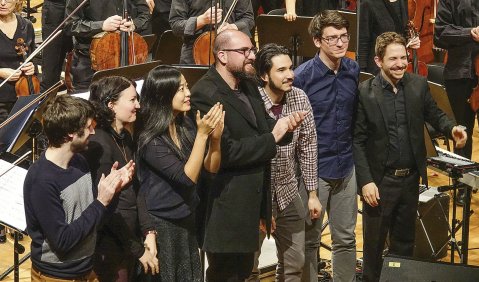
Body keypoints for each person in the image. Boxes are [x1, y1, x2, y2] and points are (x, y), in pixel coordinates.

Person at [191, 29, 305, 281]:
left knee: (242, 273)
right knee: (225, 275)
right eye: (244, 51)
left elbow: (265, 127)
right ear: (222, 55)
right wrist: (273, 136)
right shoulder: (205, 93)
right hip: (225, 208)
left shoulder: (249, 85)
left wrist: (284, 127)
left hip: (250, 204)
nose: (251, 56)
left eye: (251, 50)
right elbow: (227, 152)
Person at [353, 31, 467, 282]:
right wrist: (366, 181)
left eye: (403, 57)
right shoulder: (365, 92)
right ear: (378, 61)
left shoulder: (417, 84)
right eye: (393, 59)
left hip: (410, 180)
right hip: (380, 182)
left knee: (404, 245)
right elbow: (358, 141)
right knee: (373, 248)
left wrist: (452, 128)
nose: (400, 64)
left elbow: (435, 114)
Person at [24, 95, 135, 280]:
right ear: (70, 134)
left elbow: (90, 221)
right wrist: (101, 201)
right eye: (88, 127)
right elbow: (63, 241)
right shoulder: (41, 180)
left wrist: (113, 191)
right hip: (57, 277)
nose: (93, 132)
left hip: (85, 270)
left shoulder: (79, 162)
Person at [136, 65, 224, 281]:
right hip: (163, 224)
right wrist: (203, 136)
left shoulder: (185, 125)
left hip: (187, 217)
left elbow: (209, 169)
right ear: (163, 95)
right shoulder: (150, 139)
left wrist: (215, 140)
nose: (188, 94)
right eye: (181, 89)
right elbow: (186, 177)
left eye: (187, 87)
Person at [293, 10, 359, 282]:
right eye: (332, 38)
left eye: (344, 37)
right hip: (313, 170)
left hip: (346, 166)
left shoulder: (353, 70)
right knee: (309, 239)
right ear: (318, 41)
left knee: (345, 238)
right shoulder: (302, 77)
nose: (340, 43)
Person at [255, 43, 322, 281]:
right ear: (264, 75)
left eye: (291, 68)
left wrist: (312, 193)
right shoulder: (251, 101)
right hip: (256, 194)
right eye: (281, 70)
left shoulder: (299, 97)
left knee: (295, 261)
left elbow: (308, 147)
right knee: (249, 267)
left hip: (287, 189)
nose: (290, 75)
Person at [82, 76, 159, 280]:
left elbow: (137, 188)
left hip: (128, 238)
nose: (138, 105)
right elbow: (105, 208)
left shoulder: (124, 137)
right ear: (111, 105)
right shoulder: (99, 143)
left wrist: (149, 231)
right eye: (132, 100)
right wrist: (138, 249)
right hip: (110, 243)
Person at [65, 0, 150, 91]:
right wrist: (101, 25)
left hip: (128, 56)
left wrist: (134, 25)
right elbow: (70, 25)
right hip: (90, 61)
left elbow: (144, 15)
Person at [434, 0, 478, 163]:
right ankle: (462, 186)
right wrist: (470, 32)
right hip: (459, 74)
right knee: (461, 135)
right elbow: (440, 33)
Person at [169, 0, 254, 64]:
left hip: (232, 52)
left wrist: (232, 27)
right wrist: (202, 20)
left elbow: (248, 19)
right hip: (194, 54)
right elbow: (176, 25)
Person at [358, 0, 420, 74]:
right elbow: (362, 41)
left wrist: (410, 40)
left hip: (398, 65)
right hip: (379, 68)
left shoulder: (403, 1)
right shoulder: (367, 3)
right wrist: (362, 73)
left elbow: (401, 32)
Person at [0, 0, 35, 122]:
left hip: (22, 95)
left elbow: (31, 56)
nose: (2, 3)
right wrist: (0, 72)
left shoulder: (26, 25)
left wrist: (31, 66)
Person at [40, 0, 73, 92]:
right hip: (56, 7)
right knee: (52, 61)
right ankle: (47, 102)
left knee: (77, 61)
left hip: (80, 7)